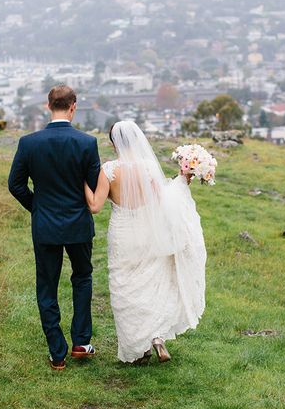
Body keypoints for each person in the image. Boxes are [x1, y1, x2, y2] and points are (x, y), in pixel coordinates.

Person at [84, 121, 207, 364]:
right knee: (152, 284)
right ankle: (157, 338)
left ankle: (139, 351)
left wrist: (83, 185)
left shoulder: (109, 170)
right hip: (149, 232)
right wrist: (182, 181)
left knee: (125, 287)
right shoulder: (150, 167)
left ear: (113, 143)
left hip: (123, 234)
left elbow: (95, 206)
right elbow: (164, 200)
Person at [8, 85, 101, 371]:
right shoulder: (86, 143)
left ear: (49, 106)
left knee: (47, 286)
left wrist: (38, 207)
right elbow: (95, 186)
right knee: (82, 277)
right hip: (78, 224)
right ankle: (81, 342)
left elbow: (16, 185)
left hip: (45, 225)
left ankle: (57, 352)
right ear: (73, 106)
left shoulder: (29, 143)